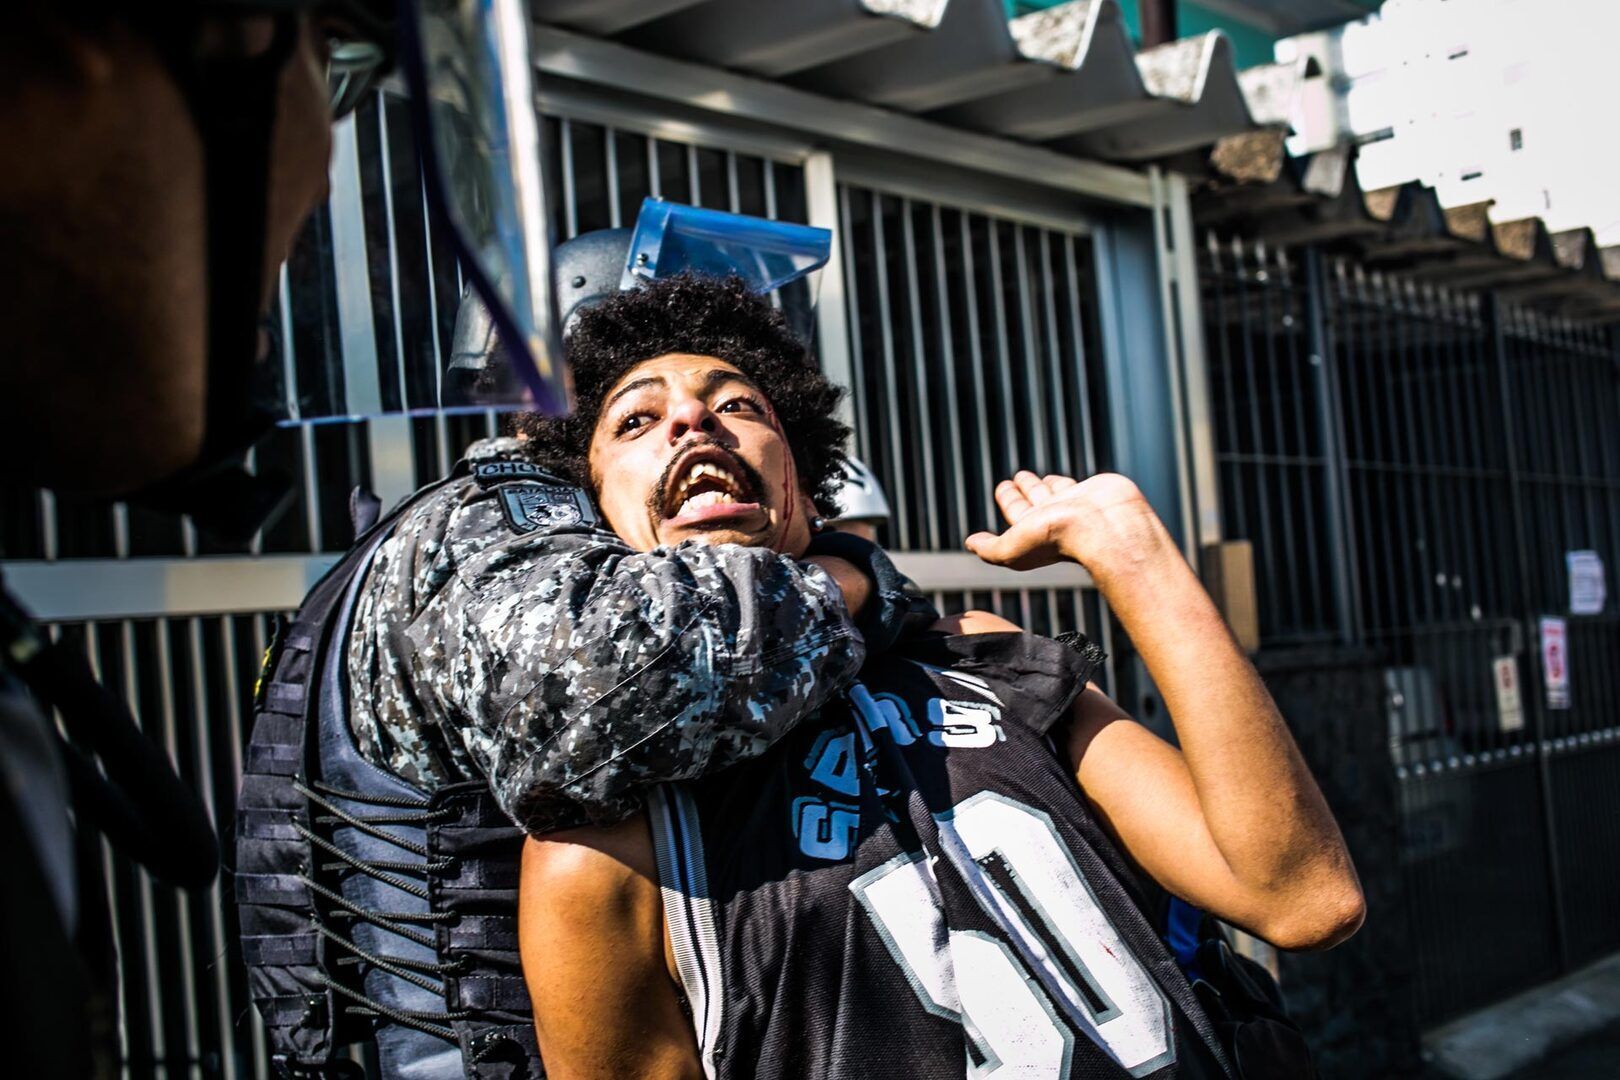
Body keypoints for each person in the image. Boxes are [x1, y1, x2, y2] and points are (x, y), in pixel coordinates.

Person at [516, 274, 1366, 1079]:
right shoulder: (599, 841)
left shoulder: (982, 655)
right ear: (591, 512)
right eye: (636, 420)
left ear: (803, 485)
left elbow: (1302, 897)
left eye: (738, 404)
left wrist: (1135, 554)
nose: (693, 418)